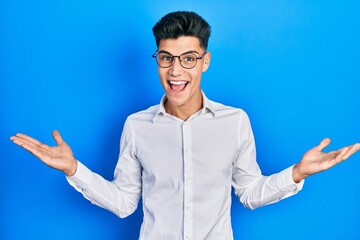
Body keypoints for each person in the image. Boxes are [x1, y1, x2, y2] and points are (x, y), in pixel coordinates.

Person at [10, 11, 359, 240]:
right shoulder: (136, 126)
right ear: (158, 60)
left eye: (188, 59)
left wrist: (297, 172)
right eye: (166, 58)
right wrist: (74, 170)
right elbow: (124, 203)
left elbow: (250, 195)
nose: (176, 72)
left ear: (204, 61)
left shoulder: (235, 122)